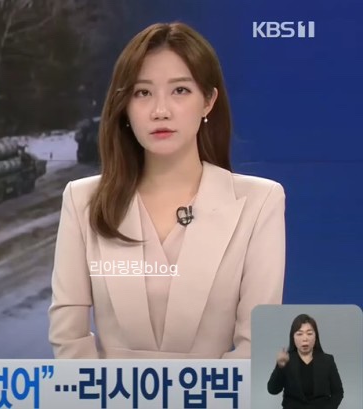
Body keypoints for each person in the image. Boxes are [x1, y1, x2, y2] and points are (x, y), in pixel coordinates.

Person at [47, 21, 286, 359]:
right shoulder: (82, 200)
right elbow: (68, 337)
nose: (160, 111)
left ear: (208, 101)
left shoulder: (260, 202)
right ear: (125, 106)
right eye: (143, 93)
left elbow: (258, 345)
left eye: (180, 91)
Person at [267, 314, 344, 408]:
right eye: (299, 334)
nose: (305, 339)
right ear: (293, 337)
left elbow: (338, 393)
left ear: (316, 337)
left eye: (309, 333)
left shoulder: (327, 360)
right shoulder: (286, 360)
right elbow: (272, 390)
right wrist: (280, 367)